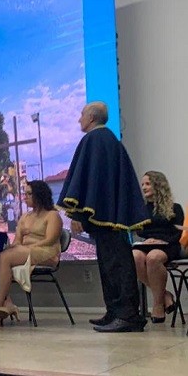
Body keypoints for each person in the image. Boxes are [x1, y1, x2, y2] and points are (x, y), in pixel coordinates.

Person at [57, 101, 150, 332]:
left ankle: (127, 315)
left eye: (81, 115)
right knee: (111, 264)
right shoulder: (107, 139)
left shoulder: (94, 140)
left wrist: (78, 214)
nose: (79, 119)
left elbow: (88, 182)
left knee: (116, 265)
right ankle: (115, 311)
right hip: (111, 215)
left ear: (91, 117)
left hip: (107, 218)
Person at [0, 181, 62, 326]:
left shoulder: (52, 215)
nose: (24, 197)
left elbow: (50, 240)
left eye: (28, 194)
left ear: (39, 195)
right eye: (24, 193)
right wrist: (12, 247)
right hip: (26, 251)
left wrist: (25, 247)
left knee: (4, 258)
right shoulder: (25, 217)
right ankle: (7, 302)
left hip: (46, 252)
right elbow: (17, 242)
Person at [132, 171, 184, 323]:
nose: (144, 187)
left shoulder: (175, 207)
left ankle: (157, 306)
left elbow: (179, 233)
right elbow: (140, 231)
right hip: (148, 244)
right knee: (135, 257)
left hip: (169, 244)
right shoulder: (141, 209)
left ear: (158, 185)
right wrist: (147, 240)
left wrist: (161, 240)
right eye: (142, 184)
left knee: (153, 257)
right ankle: (165, 295)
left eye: (147, 184)